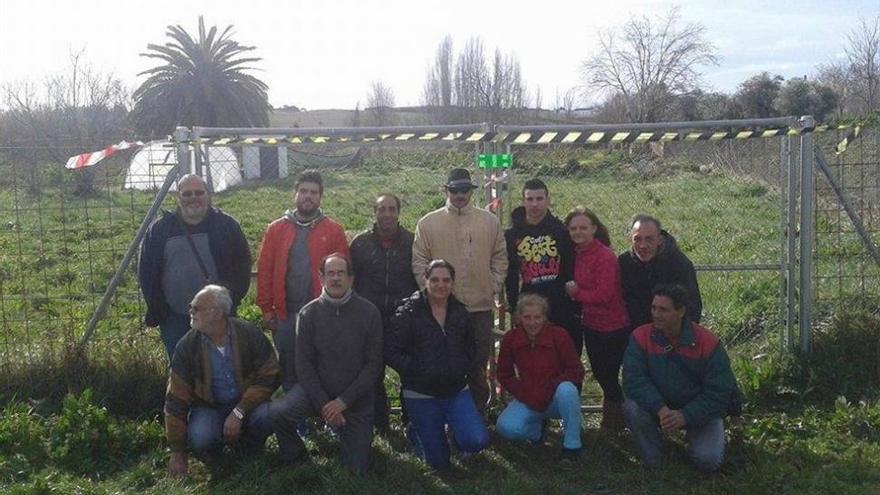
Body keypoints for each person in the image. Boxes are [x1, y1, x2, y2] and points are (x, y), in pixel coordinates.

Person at [269, 253, 383, 474]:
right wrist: (325, 404)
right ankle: (295, 455)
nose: (336, 278)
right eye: (330, 273)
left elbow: (374, 365)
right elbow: (303, 365)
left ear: (351, 279)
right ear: (321, 279)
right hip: (316, 394)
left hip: (355, 399)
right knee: (278, 412)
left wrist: (342, 402)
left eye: (341, 273)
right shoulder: (308, 313)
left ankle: (351, 439)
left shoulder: (369, 312)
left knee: (357, 470)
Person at [412, 168, 507, 414]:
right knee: (442, 363)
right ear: (446, 190)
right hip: (442, 309)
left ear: (472, 192)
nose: (460, 195)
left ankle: (477, 416)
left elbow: (500, 258)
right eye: (454, 190)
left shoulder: (489, 221)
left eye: (465, 190)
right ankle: (444, 416)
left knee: (477, 363)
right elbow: (419, 262)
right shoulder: (428, 223)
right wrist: (434, 294)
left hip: (479, 307)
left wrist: (493, 284)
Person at [164, 285, 280, 477]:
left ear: (217, 313)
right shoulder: (187, 346)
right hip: (209, 408)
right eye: (191, 307)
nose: (191, 312)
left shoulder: (249, 334)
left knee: (271, 414)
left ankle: (249, 447)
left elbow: (270, 375)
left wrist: (239, 411)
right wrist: (177, 451)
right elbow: (175, 399)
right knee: (201, 437)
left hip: (247, 405)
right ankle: (215, 456)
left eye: (197, 308)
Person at [385, 259, 490, 471]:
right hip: (421, 393)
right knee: (439, 465)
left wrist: (461, 366)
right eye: (434, 280)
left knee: (477, 441)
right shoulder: (408, 312)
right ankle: (416, 430)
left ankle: (455, 430)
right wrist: (416, 369)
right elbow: (391, 351)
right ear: (425, 281)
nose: (440, 285)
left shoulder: (460, 312)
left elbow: (471, 346)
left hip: (456, 390)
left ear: (452, 283)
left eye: (446, 280)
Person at [622, 284, 738, 472]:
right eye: (653, 308)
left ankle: (699, 437)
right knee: (632, 407)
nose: (656, 314)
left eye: (663, 309)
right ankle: (654, 460)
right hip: (660, 407)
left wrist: (686, 415)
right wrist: (660, 408)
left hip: (697, 410)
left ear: (681, 311)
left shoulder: (708, 343)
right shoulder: (640, 336)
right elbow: (633, 380)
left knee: (708, 461)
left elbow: (719, 393)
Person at [139, 174, 251, 362]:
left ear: (208, 195)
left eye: (199, 192)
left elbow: (243, 265)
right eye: (187, 193)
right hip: (174, 316)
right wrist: (159, 308)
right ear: (178, 196)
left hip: (217, 314)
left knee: (221, 366)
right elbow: (146, 272)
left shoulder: (226, 226)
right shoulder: (160, 230)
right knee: (181, 369)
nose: (193, 198)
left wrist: (230, 299)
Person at [256, 169, 349, 389]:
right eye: (304, 191)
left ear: (320, 197)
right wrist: (266, 308)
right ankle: (296, 419)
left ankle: (324, 415)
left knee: (324, 365)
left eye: (314, 192)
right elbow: (265, 270)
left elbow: (344, 273)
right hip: (285, 314)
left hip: (321, 313)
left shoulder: (333, 230)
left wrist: (338, 309)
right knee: (288, 367)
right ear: (295, 194)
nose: (308, 196)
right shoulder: (276, 229)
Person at [350, 193, 418, 433]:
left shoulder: (413, 242)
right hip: (371, 321)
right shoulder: (359, 244)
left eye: (392, 209)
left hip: (404, 321)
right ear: (374, 212)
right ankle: (380, 424)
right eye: (382, 209)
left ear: (399, 212)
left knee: (410, 372)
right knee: (372, 375)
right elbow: (351, 281)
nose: (387, 214)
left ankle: (411, 423)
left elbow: (420, 280)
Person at [564, 207, 630, 431]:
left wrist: (576, 294)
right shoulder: (575, 253)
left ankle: (623, 417)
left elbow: (605, 294)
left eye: (583, 227)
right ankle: (613, 421)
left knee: (606, 375)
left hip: (612, 325)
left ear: (593, 228)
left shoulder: (604, 256)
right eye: (573, 228)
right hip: (591, 323)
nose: (578, 232)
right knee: (601, 373)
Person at [495, 294, 584, 456]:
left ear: (545, 318)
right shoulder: (511, 339)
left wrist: (551, 387)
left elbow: (576, 371)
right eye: (527, 317)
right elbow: (504, 374)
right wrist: (524, 393)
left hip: (556, 396)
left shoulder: (560, 335)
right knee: (505, 427)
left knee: (568, 390)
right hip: (529, 397)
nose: (532, 322)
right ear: (519, 318)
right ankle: (537, 431)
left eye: (537, 317)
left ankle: (572, 444)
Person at [504, 179, 580, 353]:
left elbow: (571, 265)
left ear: (547, 199)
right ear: (523, 201)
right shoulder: (512, 234)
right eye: (530, 199)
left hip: (560, 301)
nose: (535, 204)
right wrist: (514, 305)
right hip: (529, 301)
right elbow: (511, 274)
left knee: (564, 352)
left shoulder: (560, 230)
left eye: (539, 199)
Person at [618, 214, 702, 328]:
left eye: (649, 239)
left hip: (671, 332)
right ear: (630, 238)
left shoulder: (678, 264)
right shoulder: (624, 262)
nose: (643, 245)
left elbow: (692, 307)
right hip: (635, 332)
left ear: (659, 239)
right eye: (637, 239)